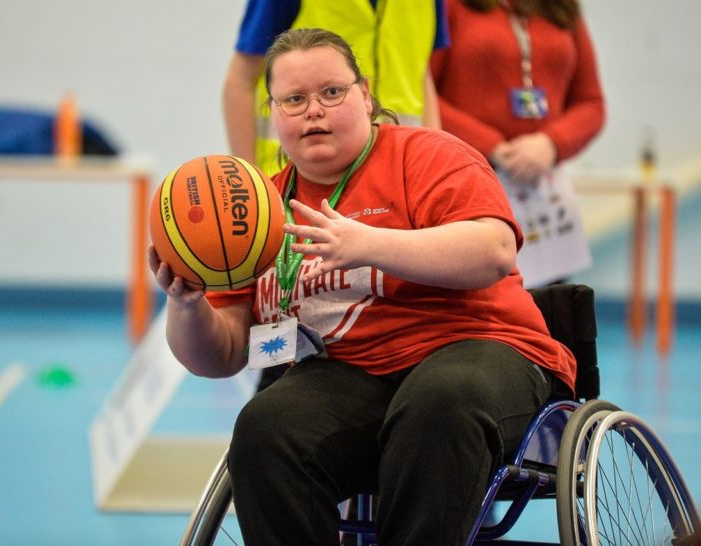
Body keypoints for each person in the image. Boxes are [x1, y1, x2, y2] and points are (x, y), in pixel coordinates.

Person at [150, 28, 575, 545]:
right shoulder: (256, 214)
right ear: (273, 112)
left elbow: (493, 251)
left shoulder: (427, 154)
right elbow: (221, 356)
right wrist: (186, 304)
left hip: (479, 350)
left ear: (366, 95)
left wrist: (368, 243)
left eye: (332, 92)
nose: (314, 111)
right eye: (295, 99)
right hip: (350, 376)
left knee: (439, 400)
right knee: (267, 427)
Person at [226, 0, 450, 392]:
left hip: (398, 185)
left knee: (400, 321)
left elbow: (421, 76)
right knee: (298, 334)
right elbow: (240, 80)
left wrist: (440, 155)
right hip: (303, 195)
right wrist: (252, 187)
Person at [430, 0, 605, 287]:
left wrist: (550, 143)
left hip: (542, 190)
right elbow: (424, 97)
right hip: (469, 181)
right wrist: (494, 147)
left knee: (551, 310)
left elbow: (591, 102)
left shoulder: (561, 7)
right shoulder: (449, 6)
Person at [224, 0, 448, 175]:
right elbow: (241, 80)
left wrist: (436, 160)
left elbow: (419, 70)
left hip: (400, 173)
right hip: (296, 179)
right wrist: (252, 185)